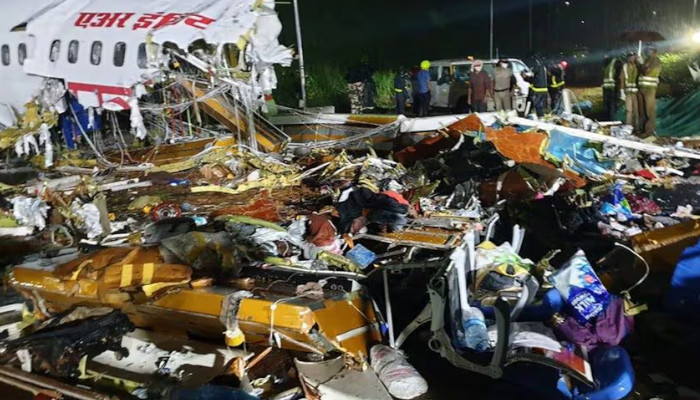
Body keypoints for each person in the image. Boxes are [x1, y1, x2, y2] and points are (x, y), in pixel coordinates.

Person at [639, 46, 662, 137]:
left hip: (650, 89)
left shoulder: (655, 61)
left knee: (650, 111)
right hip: (643, 88)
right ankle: (644, 130)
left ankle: (650, 131)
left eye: (650, 50)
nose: (648, 51)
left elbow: (646, 72)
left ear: (654, 51)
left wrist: (641, 64)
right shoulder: (648, 60)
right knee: (644, 111)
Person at [620, 52, 641, 132]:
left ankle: (637, 128)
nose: (632, 59)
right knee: (629, 110)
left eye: (633, 57)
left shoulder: (637, 66)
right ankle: (628, 127)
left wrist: (640, 61)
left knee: (636, 111)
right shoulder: (625, 67)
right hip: (628, 92)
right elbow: (622, 79)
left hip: (636, 92)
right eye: (631, 57)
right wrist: (622, 92)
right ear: (628, 58)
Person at [602, 54, 621, 121]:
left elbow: (619, 77)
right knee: (609, 106)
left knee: (612, 106)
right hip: (608, 89)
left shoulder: (615, 62)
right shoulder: (607, 64)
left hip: (613, 89)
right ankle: (609, 120)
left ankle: (612, 120)